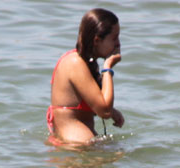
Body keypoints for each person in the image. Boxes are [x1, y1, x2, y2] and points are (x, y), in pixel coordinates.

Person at [47, 8, 124, 144]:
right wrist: (108, 67)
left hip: (73, 143)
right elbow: (103, 111)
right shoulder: (75, 63)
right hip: (77, 144)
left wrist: (112, 111)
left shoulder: (84, 62)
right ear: (96, 40)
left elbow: (98, 105)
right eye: (114, 38)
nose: (118, 43)